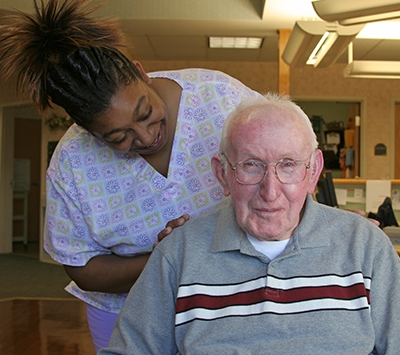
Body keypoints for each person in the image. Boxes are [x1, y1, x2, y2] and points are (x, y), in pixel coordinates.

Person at [0, 0, 261, 351]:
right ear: (88, 132)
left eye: (146, 112)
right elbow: (81, 266)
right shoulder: (72, 163)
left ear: (141, 72)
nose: (145, 136)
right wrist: (166, 257)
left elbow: (283, 170)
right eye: (118, 137)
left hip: (231, 301)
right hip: (126, 311)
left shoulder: (221, 99)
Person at [99, 93, 400, 355]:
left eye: (288, 165)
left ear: (313, 171)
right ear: (222, 174)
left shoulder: (366, 247)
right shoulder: (178, 253)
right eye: (251, 165)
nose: (270, 192)